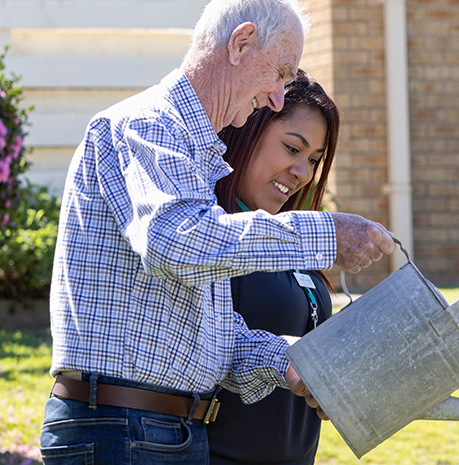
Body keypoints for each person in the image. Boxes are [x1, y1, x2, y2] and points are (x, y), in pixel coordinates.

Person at [38, 1, 396, 464]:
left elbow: (214, 335)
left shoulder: (194, 158)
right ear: (241, 43)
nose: (276, 98)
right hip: (121, 427)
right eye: (280, 73)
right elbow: (177, 243)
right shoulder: (147, 125)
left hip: (164, 430)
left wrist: (293, 362)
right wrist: (325, 232)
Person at [207, 69, 337, 465]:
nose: (303, 173)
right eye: (292, 148)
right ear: (246, 132)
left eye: (314, 159)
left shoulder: (292, 239)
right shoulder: (207, 236)